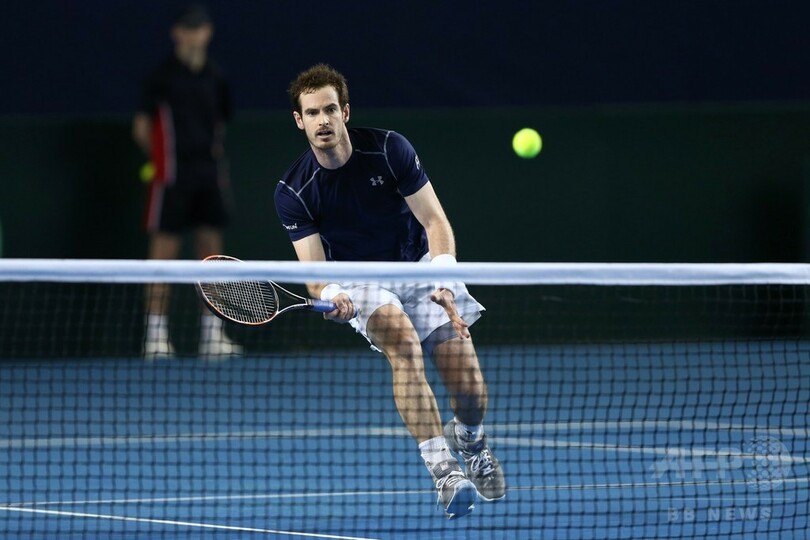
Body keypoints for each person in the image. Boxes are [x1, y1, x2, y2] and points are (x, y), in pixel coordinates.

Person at [274, 64, 505, 519]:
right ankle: (443, 470)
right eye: (312, 113)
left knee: (471, 391)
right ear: (299, 120)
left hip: (418, 266)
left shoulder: (389, 149)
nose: (322, 120)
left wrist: (443, 281)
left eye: (329, 110)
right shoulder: (294, 191)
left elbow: (435, 221)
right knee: (402, 343)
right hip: (360, 281)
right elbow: (315, 271)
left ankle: (471, 442)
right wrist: (334, 293)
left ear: (345, 112)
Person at [132, 4, 241, 359]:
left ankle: (212, 335)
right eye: (188, 28)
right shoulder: (160, 78)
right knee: (163, 256)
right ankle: (155, 337)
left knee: (212, 255)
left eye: (200, 28)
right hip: (172, 177)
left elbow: (221, 125)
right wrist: (163, 160)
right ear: (177, 32)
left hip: (209, 176)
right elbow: (142, 128)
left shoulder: (217, 77)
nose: (195, 35)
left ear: (208, 33)